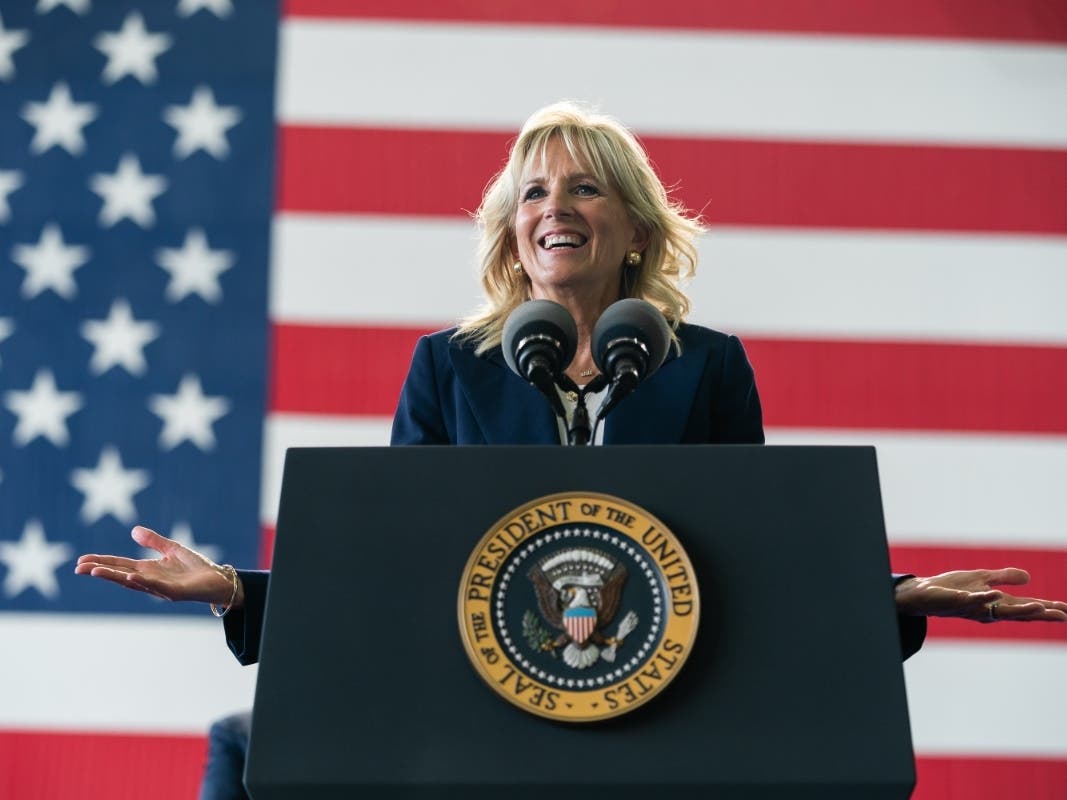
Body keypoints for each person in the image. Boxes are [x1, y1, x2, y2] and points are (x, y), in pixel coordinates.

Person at [76, 101, 1067, 661]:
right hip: (485, 703)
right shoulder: (448, 366)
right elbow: (396, 560)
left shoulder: (706, 365)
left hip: (662, 700)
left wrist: (895, 595)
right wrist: (234, 590)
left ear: (632, 227)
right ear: (513, 230)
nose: (554, 206)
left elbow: (752, 558)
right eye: (533, 192)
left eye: (584, 186)